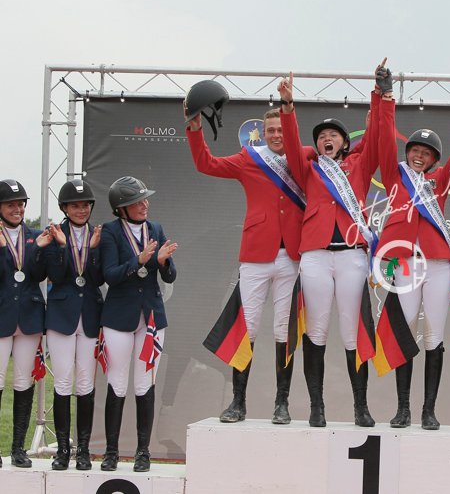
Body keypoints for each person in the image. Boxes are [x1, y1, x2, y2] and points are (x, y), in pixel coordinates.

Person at [186, 102, 308, 425]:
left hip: (291, 255)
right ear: (262, 134)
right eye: (271, 131)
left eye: (281, 129)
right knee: (247, 327)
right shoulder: (249, 158)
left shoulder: (304, 156)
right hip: (255, 254)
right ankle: (238, 402)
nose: (276, 135)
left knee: (284, 328)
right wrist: (195, 129)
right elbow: (206, 163)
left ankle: (282, 404)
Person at [375, 77, 450, 429]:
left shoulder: (440, 180)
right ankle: (403, 409)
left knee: (435, 336)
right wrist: (386, 98)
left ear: (434, 159)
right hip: (405, 265)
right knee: (404, 333)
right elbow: (384, 138)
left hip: (437, 266)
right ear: (407, 153)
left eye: (426, 153)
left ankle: (428, 411)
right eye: (414, 151)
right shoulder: (394, 176)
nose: (418, 156)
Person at [278, 64, 382, 428]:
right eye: (322, 135)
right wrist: (288, 107)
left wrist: (379, 96)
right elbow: (293, 146)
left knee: (353, 331)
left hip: (352, 256)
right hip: (316, 256)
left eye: (333, 135)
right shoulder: (308, 169)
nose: (327, 138)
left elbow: (377, 137)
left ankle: (360, 407)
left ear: (344, 143)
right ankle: (316, 407)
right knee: (316, 330)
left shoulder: (359, 165)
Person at [99, 176, 178, 472]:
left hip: (151, 317)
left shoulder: (155, 228)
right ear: (121, 208)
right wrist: (140, 260)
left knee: (145, 384)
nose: (145, 205)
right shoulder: (110, 231)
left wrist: (162, 262)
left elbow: (170, 276)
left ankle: (143, 452)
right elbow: (110, 275)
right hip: (119, 317)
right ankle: (111, 452)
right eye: (137, 202)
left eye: (145, 199)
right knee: (117, 384)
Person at [44, 180, 104, 470]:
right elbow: (56, 274)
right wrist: (62, 246)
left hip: (90, 314)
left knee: (85, 384)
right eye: (75, 206)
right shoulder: (55, 233)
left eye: (85, 205)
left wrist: (91, 251)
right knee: (63, 382)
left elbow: (99, 277)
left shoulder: (100, 234)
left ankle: (83, 450)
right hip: (61, 315)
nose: (81, 210)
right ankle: (62, 451)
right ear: (65, 208)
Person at [0, 179, 51, 468]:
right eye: (11, 204)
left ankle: (18, 448)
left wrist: (39, 250)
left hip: (29, 316)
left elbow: (38, 274)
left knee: (23, 382)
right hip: (2, 314)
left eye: (20, 204)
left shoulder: (34, 236)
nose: (17, 209)